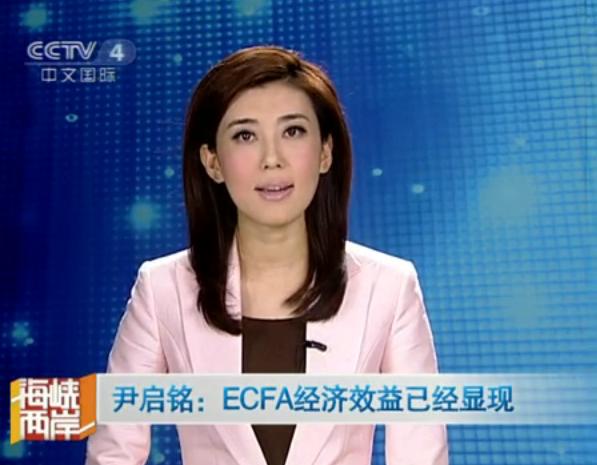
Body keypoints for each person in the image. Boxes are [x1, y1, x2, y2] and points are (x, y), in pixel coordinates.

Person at [84, 44, 449, 465]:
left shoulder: (389, 286)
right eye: (245, 136)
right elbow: (114, 452)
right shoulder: (162, 287)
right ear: (212, 162)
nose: (272, 160)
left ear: (325, 152)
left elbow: (421, 453)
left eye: (293, 132)